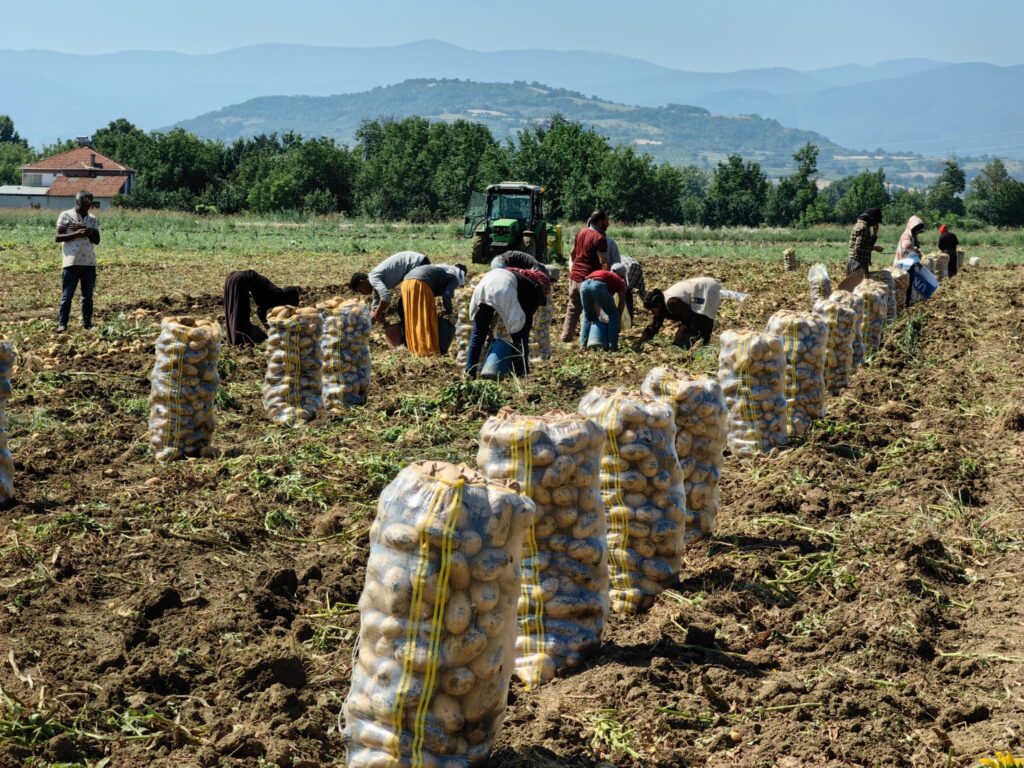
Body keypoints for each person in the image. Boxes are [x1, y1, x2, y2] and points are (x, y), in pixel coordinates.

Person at [465, 267, 550, 378]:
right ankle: (521, 373)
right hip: (502, 289)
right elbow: (526, 319)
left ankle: (469, 373)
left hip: (482, 287)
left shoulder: (520, 277)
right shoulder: (537, 290)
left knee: (478, 333)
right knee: (520, 336)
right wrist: (522, 332)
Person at [54, 190, 101, 332]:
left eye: (88, 205)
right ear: (77, 203)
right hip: (71, 262)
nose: (86, 208)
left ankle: (87, 324)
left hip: (89, 262)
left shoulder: (92, 219)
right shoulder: (66, 215)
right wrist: (76, 234)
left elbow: (97, 240)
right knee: (67, 296)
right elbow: (58, 237)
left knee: (88, 297)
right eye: (83, 205)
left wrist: (87, 230)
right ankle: (62, 324)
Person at [560, 210, 610, 342]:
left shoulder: (580, 233)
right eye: (607, 220)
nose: (608, 223)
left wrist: (575, 269)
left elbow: (572, 253)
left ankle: (566, 337)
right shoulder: (600, 238)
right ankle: (590, 340)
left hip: (574, 277)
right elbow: (603, 263)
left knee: (572, 308)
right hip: (588, 280)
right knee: (592, 312)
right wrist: (607, 280)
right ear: (600, 221)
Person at [399, 264, 466, 356]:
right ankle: (426, 350)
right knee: (425, 318)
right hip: (420, 283)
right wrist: (450, 314)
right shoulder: (454, 277)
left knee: (413, 317)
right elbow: (446, 296)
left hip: (406, 283)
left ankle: (414, 347)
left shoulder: (442, 271)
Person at [349, 251, 430, 325]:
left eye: (360, 290)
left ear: (362, 282)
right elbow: (375, 305)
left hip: (418, 264)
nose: (363, 293)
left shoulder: (373, 278)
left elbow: (386, 297)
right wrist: (373, 317)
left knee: (405, 305)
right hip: (419, 264)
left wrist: (377, 314)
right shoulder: (375, 285)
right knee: (405, 305)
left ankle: (415, 331)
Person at [640, 277, 722, 349]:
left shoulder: (672, 302)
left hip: (706, 288)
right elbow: (655, 324)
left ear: (658, 305)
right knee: (682, 340)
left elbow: (691, 316)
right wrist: (642, 339)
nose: (650, 313)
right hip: (696, 291)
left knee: (703, 317)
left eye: (652, 310)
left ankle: (704, 343)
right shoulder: (660, 306)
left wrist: (682, 331)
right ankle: (700, 342)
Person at [223, 270, 300, 346]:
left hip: (232, 278)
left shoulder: (276, 294)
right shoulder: (277, 296)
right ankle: (238, 340)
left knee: (233, 309)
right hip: (240, 280)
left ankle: (235, 338)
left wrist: (268, 326)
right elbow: (262, 311)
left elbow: (261, 310)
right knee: (239, 312)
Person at [579, 268, 627, 352]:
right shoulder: (620, 281)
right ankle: (613, 347)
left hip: (584, 285)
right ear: (622, 275)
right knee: (614, 315)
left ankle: (582, 346)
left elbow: (598, 300)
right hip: (598, 285)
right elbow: (622, 300)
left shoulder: (607, 275)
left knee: (588, 317)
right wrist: (618, 316)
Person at [894, 215, 926, 306]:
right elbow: (906, 246)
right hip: (903, 264)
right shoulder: (906, 235)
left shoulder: (913, 236)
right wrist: (915, 249)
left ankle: (906, 302)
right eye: (917, 229)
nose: (918, 231)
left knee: (909, 283)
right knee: (903, 284)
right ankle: (903, 304)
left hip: (909, 264)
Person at [846, 208, 884, 276]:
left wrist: (875, 234)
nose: (876, 224)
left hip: (858, 261)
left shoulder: (862, 226)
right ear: (872, 219)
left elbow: (867, 244)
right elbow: (859, 248)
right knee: (858, 286)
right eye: (876, 221)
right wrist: (874, 248)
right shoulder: (863, 228)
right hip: (857, 263)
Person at [610, 255, 646, 319]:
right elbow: (641, 287)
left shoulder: (616, 265)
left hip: (626, 267)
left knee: (624, 293)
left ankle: (621, 318)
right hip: (636, 266)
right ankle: (628, 318)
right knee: (627, 292)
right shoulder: (618, 259)